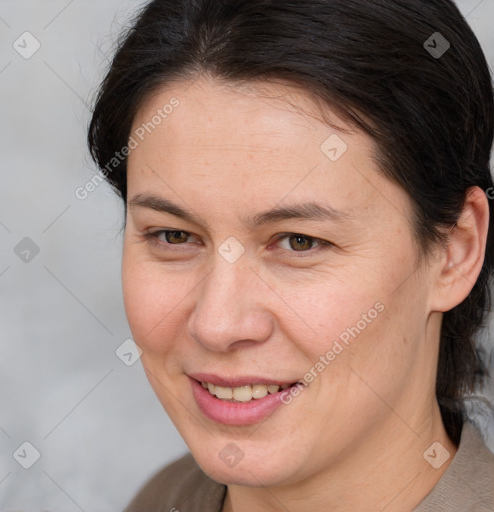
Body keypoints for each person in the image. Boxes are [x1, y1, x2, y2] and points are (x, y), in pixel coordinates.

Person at [87, 0, 494, 510]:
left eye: (299, 242)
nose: (217, 324)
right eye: (173, 236)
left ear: (456, 252)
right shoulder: (163, 500)